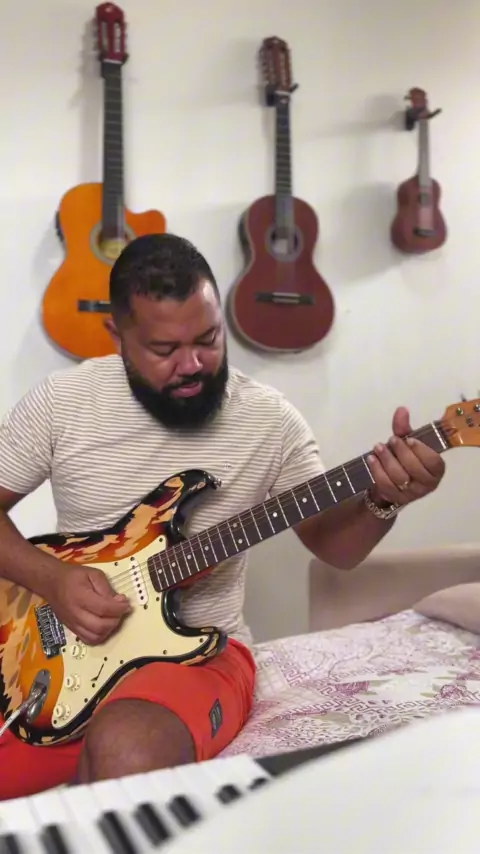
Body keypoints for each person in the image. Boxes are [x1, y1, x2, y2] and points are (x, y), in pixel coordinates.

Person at [0, 234, 445, 799]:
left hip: (197, 658)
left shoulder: (269, 420)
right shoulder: (61, 403)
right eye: (164, 349)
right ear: (117, 336)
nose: (192, 365)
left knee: (127, 747)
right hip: (56, 652)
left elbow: (335, 548)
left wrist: (385, 500)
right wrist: (53, 580)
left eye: (208, 339)